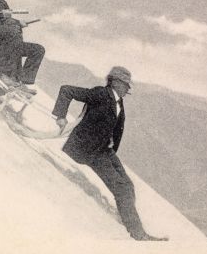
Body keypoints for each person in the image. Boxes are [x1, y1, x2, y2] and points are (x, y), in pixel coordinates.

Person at [51, 67, 168, 241]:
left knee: (127, 185)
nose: (128, 89)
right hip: (89, 150)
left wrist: (111, 147)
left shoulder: (118, 101)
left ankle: (128, 218)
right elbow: (66, 90)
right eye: (126, 85)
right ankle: (138, 234)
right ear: (115, 82)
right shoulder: (101, 94)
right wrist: (60, 117)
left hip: (104, 149)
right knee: (121, 188)